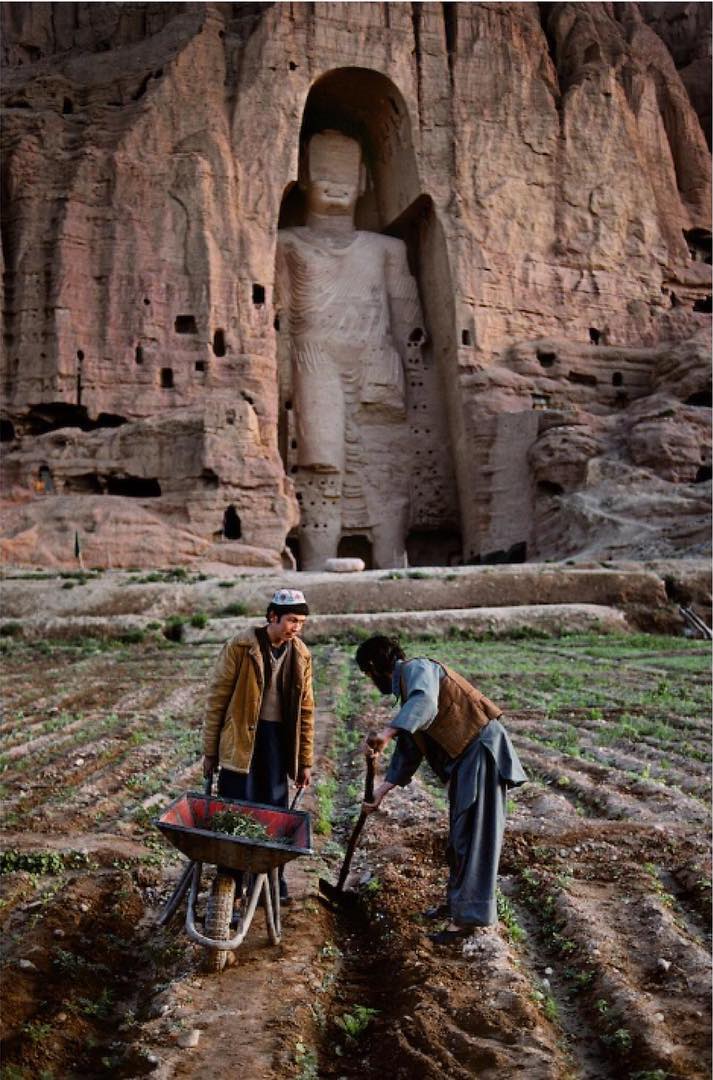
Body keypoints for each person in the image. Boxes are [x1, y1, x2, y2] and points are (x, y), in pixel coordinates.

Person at [355, 635, 526, 943]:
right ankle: (458, 905)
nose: (370, 681)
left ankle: (468, 920)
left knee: (473, 835)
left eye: (367, 675)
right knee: (460, 835)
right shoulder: (408, 689)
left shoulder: (418, 669)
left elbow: (425, 704)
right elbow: (411, 747)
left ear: (373, 667)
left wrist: (388, 732)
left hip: (480, 752)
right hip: (466, 759)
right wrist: (382, 790)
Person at [202, 588, 314, 902]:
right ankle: (231, 884)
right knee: (236, 812)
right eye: (292, 620)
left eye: (302, 622)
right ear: (272, 617)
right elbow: (217, 700)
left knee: (274, 815)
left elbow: (306, 710)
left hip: (277, 745)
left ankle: (270, 886)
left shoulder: (301, 654)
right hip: (241, 743)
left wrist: (304, 761)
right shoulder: (241, 646)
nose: (297, 628)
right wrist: (210, 752)